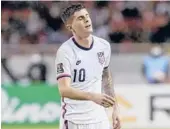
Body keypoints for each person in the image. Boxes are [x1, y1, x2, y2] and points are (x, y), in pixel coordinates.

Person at [55, 3, 121, 129]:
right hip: (74, 120)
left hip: (100, 119)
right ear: (70, 27)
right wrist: (92, 96)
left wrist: (115, 109)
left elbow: (106, 78)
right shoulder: (65, 51)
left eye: (87, 16)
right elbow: (64, 90)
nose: (86, 20)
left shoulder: (104, 46)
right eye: (80, 18)